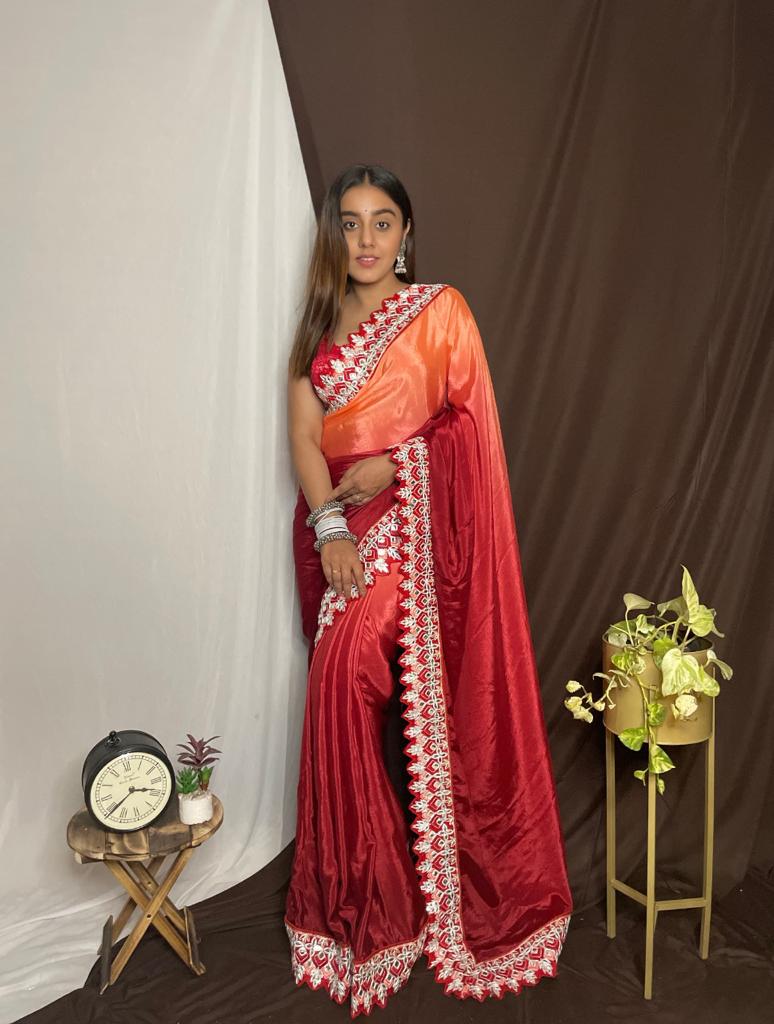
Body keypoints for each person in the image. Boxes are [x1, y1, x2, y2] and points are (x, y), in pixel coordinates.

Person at [284, 163, 572, 1018]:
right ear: (333, 235)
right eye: (350, 223)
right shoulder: (315, 327)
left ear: (407, 233)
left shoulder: (440, 311)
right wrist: (331, 529)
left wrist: (399, 464)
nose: (366, 239)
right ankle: (368, 905)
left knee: (354, 679)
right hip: (343, 532)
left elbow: (469, 427)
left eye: (383, 222)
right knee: (336, 692)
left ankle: (426, 898)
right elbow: (303, 437)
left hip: (421, 529)